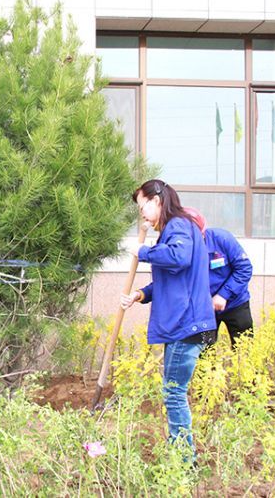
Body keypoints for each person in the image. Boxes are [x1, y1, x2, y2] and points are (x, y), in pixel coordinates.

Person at [120, 179, 216, 460]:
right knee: (175, 391)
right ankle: (181, 454)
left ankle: (184, 461)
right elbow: (170, 280)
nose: (143, 215)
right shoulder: (176, 230)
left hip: (185, 325)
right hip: (186, 323)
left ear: (157, 199)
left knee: (174, 393)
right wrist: (138, 295)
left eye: (143, 207)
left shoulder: (179, 226)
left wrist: (144, 252)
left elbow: (178, 258)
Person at [183, 207, 254, 348]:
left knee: (244, 350)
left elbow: (244, 268)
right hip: (204, 309)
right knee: (204, 355)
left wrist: (223, 295)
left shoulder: (222, 239)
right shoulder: (181, 251)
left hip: (235, 303)